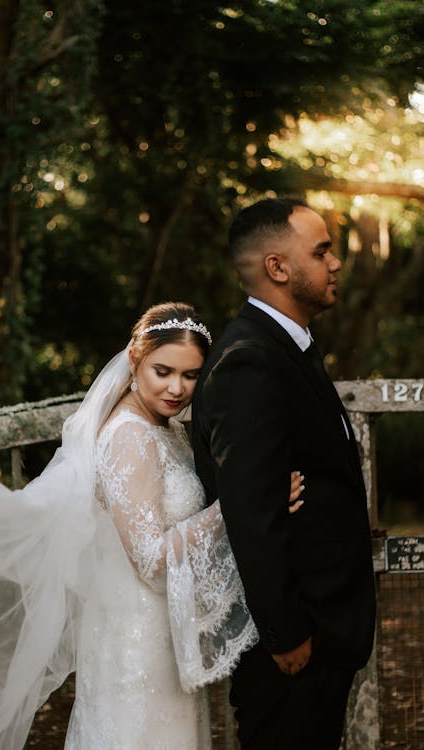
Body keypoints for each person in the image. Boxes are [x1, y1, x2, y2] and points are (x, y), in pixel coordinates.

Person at [0, 301, 304, 750]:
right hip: (137, 644)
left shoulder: (165, 428)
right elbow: (151, 558)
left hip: (161, 632)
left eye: (190, 375)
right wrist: (241, 503)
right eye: (163, 371)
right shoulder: (129, 436)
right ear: (135, 361)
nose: (177, 389)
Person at [192, 198, 376, 750]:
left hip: (321, 636)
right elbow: (252, 513)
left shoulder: (287, 350)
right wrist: (286, 632)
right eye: (320, 252)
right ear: (277, 268)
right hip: (295, 648)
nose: (335, 262)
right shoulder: (249, 361)